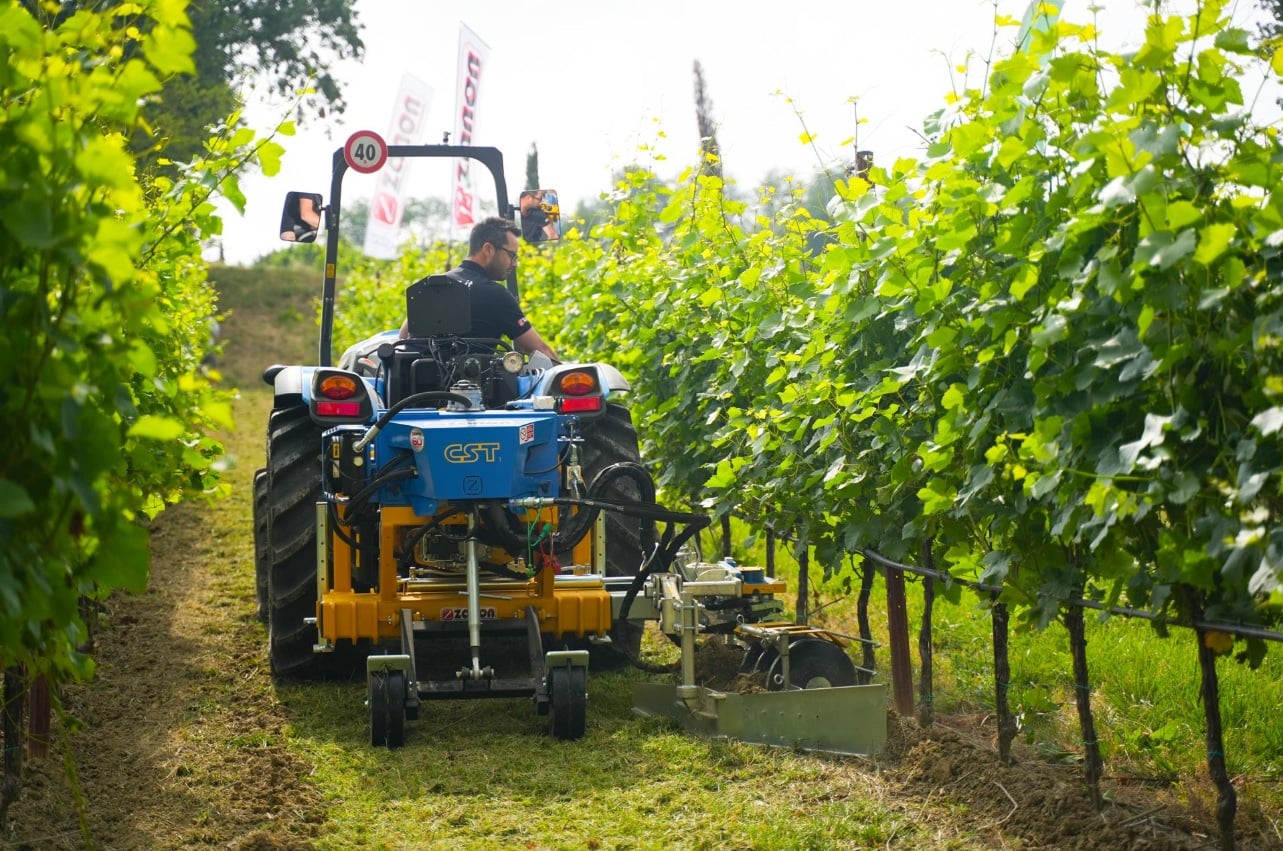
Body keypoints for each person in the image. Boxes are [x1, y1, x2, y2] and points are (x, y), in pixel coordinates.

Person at [399, 217, 560, 362]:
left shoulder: (431, 286)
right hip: (473, 392)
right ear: (488, 249)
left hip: (415, 391)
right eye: (512, 255)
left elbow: (403, 337)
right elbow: (539, 349)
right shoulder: (495, 295)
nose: (515, 263)